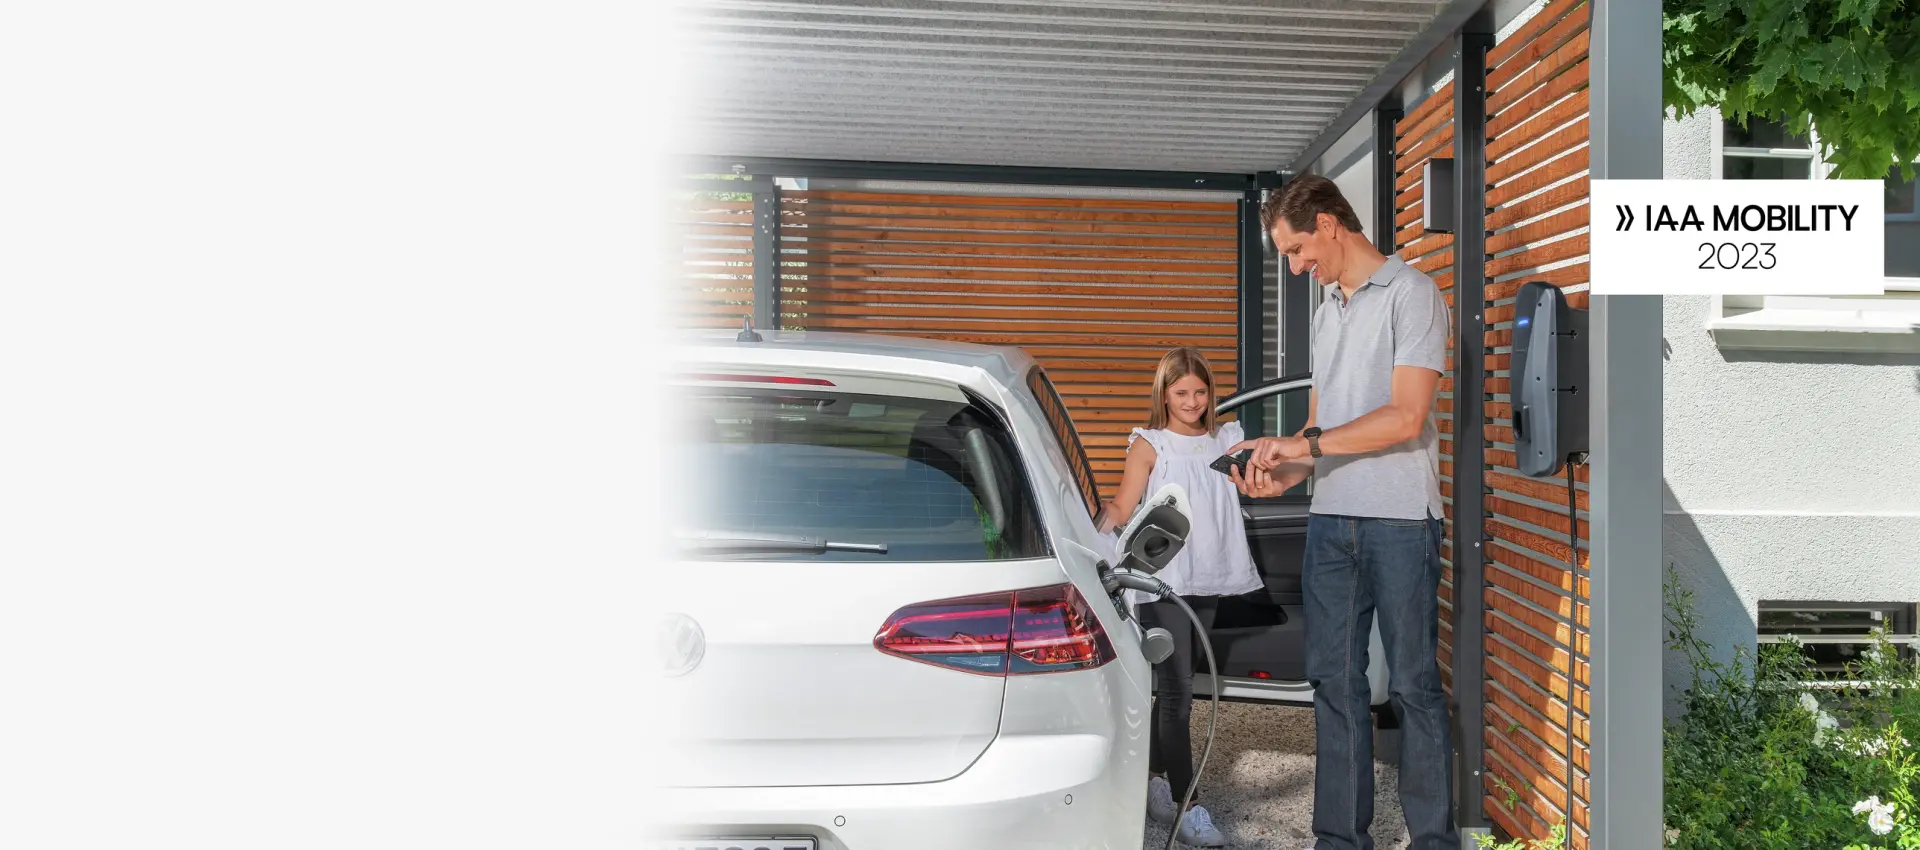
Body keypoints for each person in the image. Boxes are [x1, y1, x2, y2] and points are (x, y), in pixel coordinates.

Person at [1226, 174, 1456, 850]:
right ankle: (1339, 840)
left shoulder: (1413, 295)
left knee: (1413, 685)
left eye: (1297, 250)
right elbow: (1321, 427)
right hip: (1332, 522)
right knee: (1333, 683)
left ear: (1328, 223)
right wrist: (1283, 469)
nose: (1297, 267)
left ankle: (1435, 840)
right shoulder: (1329, 309)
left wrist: (1308, 444)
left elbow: (1406, 417)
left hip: (1401, 522)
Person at [1097, 347, 1262, 849]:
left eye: (1199, 391)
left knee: (1179, 685)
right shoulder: (1150, 444)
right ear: (1164, 395)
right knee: (1177, 694)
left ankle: (1152, 781)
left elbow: (1259, 482)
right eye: (1181, 393)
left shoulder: (1227, 438)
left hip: (1209, 575)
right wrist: (1085, 535)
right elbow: (1123, 507)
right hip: (1164, 580)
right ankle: (1188, 808)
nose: (1192, 401)